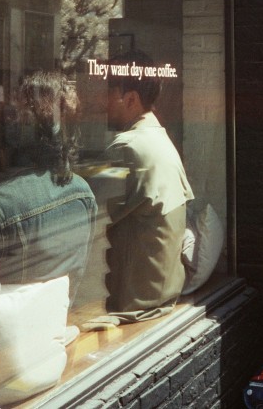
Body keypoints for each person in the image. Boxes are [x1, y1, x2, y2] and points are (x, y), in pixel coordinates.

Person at [0, 71, 97, 306]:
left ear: (26, 120)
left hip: (6, 338)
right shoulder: (83, 193)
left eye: (14, 110)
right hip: (56, 326)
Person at [103, 50, 194, 322]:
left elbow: (87, 222)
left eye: (106, 92)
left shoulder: (128, 147)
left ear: (130, 99)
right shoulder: (159, 139)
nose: (99, 102)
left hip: (131, 307)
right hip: (161, 297)